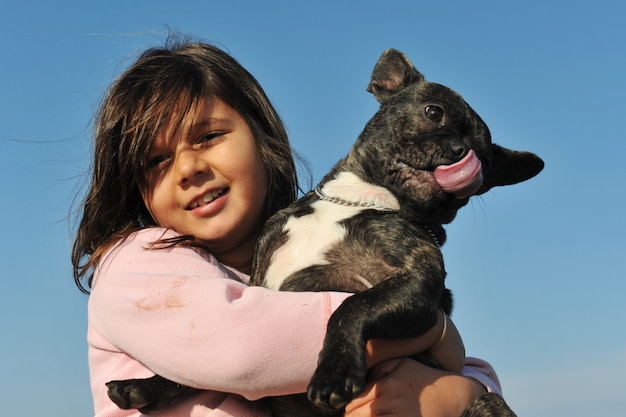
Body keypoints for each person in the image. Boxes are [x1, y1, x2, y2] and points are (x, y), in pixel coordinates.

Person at [72, 38, 503, 417]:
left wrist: (461, 395)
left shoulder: (294, 250)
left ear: (263, 138)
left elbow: (471, 379)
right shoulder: (138, 262)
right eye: (156, 161)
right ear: (135, 188)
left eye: (208, 137)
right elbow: (242, 349)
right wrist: (431, 331)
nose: (188, 167)